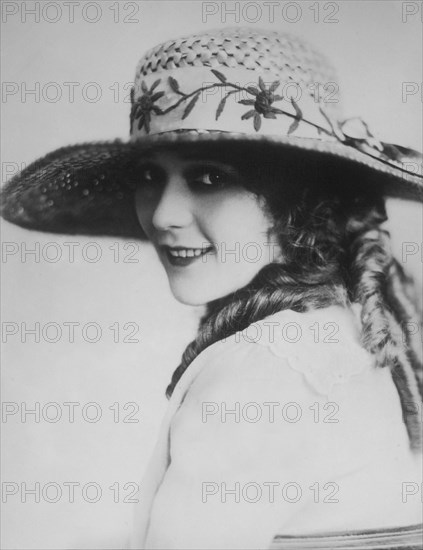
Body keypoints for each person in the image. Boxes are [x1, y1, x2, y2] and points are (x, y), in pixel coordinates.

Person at [1, 27, 422, 550]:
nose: (161, 213)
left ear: (297, 197)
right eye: (150, 176)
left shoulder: (265, 370)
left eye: (207, 179)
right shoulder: (344, 329)